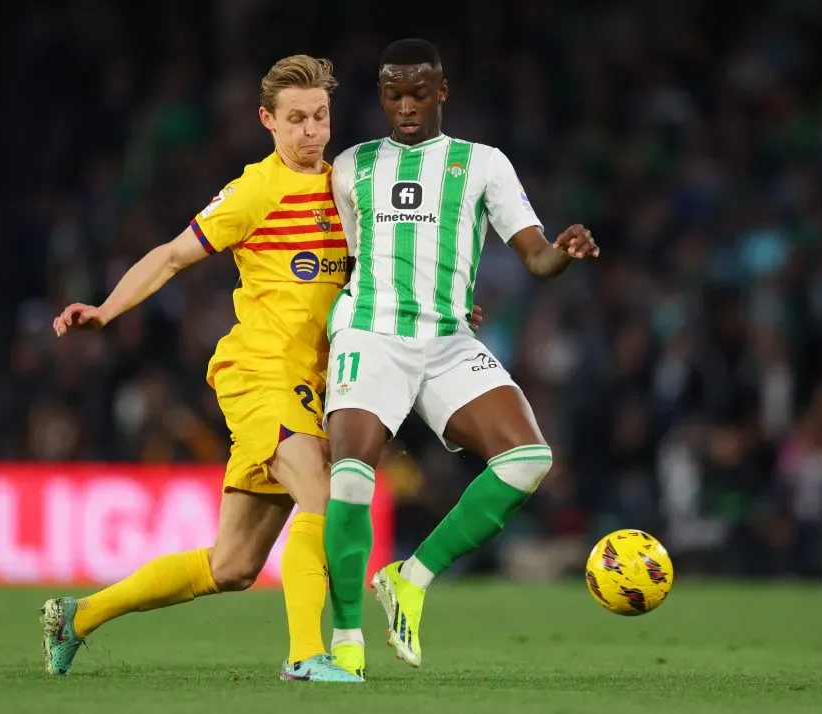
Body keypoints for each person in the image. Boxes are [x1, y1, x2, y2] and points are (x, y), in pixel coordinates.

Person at [43, 54, 364, 683]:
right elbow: (169, 257)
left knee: (233, 566)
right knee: (324, 497)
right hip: (260, 372)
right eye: (296, 119)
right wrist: (107, 310)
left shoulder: (348, 189)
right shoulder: (254, 190)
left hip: (312, 382)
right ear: (267, 121)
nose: (312, 132)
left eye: (321, 117)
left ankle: (75, 617)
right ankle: (305, 655)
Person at [323, 38, 600, 675]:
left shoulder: (482, 165)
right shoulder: (351, 167)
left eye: (419, 92)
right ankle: (344, 647)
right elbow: (346, 262)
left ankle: (410, 579)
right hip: (371, 332)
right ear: (381, 97)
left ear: (441, 92)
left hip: (447, 340)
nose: (407, 106)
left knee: (528, 460)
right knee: (350, 474)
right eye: (393, 94)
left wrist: (563, 250)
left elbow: (534, 255)